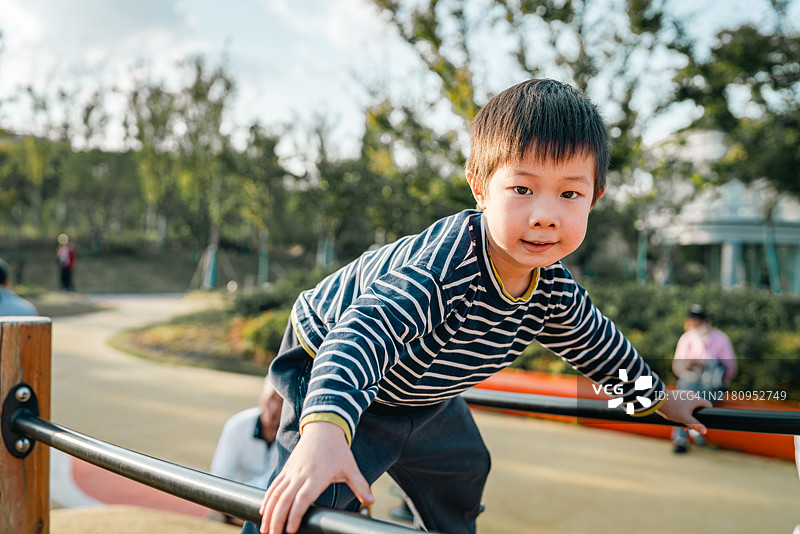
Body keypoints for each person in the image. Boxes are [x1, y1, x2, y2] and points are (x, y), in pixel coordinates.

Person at [244, 79, 710, 534]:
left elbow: (598, 347)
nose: (545, 216)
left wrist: (659, 399)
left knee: (463, 467)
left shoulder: (554, 289)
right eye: (522, 189)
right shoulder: (446, 268)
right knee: (314, 497)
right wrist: (323, 432)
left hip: (422, 390)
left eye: (570, 194)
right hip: (333, 362)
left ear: (593, 199)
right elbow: (362, 333)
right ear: (480, 187)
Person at [210, 376, 283, 525]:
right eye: (271, 398)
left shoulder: (295, 436)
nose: (275, 407)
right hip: (234, 506)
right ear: (261, 396)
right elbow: (220, 476)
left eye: (282, 402)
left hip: (274, 511)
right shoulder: (237, 425)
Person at [671, 304, 737, 453]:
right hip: (690, 383)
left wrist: (709, 365)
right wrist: (689, 364)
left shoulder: (720, 339)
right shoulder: (687, 338)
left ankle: (694, 432)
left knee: (695, 395)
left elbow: (730, 368)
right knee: (684, 394)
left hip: (712, 387)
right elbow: (677, 367)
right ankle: (685, 437)